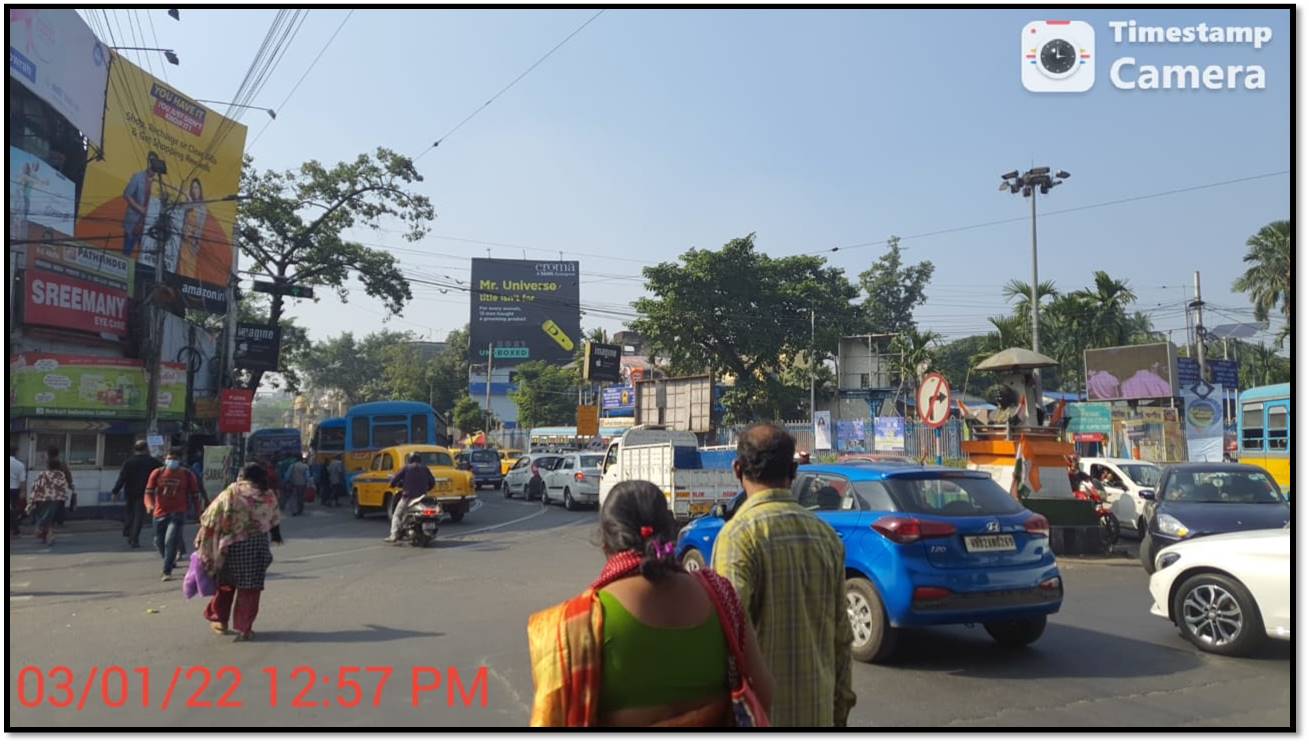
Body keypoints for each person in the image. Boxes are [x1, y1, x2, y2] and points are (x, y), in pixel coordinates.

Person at [528, 480, 772, 727]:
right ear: (669, 529)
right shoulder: (720, 595)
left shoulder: (577, 624)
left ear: (605, 542)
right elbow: (764, 692)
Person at [712, 424, 856, 727]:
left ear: (737, 470)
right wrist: (839, 711)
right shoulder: (826, 536)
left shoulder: (738, 536)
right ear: (793, 470)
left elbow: (728, 641)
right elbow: (842, 638)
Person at [196, 462, 283, 642]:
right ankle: (245, 628)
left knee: (226, 585)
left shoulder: (232, 491)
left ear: (243, 475)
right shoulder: (268, 494)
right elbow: (275, 520)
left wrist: (203, 539)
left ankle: (220, 620)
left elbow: (210, 516)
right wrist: (275, 536)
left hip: (232, 546)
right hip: (257, 547)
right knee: (250, 589)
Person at [145, 447, 202, 581]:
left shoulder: (187, 475)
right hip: (159, 512)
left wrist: (198, 512)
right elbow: (148, 492)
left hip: (178, 513)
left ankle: (166, 570)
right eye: (170, 458)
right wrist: (149, 505)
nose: (172, 461)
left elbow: (195, 495)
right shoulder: (157, 473)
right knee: (158, 541)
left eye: (175, 459)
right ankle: (169, 560)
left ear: (180, 460)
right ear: (165, 459)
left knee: (170, 540)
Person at [112, 440, 161, 548]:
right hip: (145, 492)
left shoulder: (129, 462)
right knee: (139, 516)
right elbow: (162, 472)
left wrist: (115, 491)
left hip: (130, 492)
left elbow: (122, 478)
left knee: (130, 512)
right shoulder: (152, 462)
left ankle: (128, 530)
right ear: (146, 449)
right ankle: (134, 538)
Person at [386, 453, 435, 543]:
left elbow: (395, 479)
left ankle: (394, 535)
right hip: (422, 497)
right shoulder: (425, 468)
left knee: (396, 514)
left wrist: (392, 484)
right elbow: (432, 482)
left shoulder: (406, 468)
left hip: (408, 497)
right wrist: (427, 488)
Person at [27, 454, 72, 545]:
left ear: (48, 466)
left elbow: (36, 486)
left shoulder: (43, 474)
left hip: (42, 499)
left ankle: (44, 533)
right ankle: (48, 535)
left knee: (43, 516)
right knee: (49, 518)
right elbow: (64, 487)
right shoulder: (61, 475)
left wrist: (32, 499)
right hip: (56, 499)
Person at [122, 151, 157, 259]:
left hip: (149, 226)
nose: (152, 164)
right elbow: (127, 195)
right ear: (148, 162)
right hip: (133, 222)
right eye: (150, 161)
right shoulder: (138, 177)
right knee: (126, 254)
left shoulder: (159, 183)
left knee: (146, 257)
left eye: (154, 161)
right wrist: (140, 209)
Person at [45, 446, 76, 527]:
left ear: (49, 454)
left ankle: (52, 521)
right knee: (61, 504)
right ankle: (60, 521)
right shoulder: (62, 462)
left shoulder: (48, 463)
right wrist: (70, 483)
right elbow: (67, 474)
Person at [9, 443, 27, 537]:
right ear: (15, 453)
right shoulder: (20, 465)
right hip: (14, 490)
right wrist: (23, 492)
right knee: (14, 509)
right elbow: (22, 480)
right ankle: (15, 528)